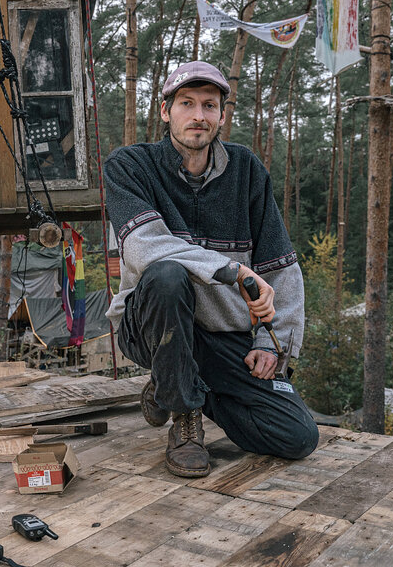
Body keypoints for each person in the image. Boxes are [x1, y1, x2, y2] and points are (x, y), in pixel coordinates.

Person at [104, 60, 319, 478]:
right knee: (167, 275)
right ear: (165, 111)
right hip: (147, 326)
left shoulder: (246, 171)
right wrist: (232, 271)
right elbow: (145, 248)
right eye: (186, 103)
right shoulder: (130, 166)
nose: (198, 115)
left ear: (222, 116)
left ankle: (178, 384)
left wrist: (271, 343)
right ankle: (185, 420)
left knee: (297, 436)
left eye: (209, 105)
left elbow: (281, 267)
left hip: (220, 338)